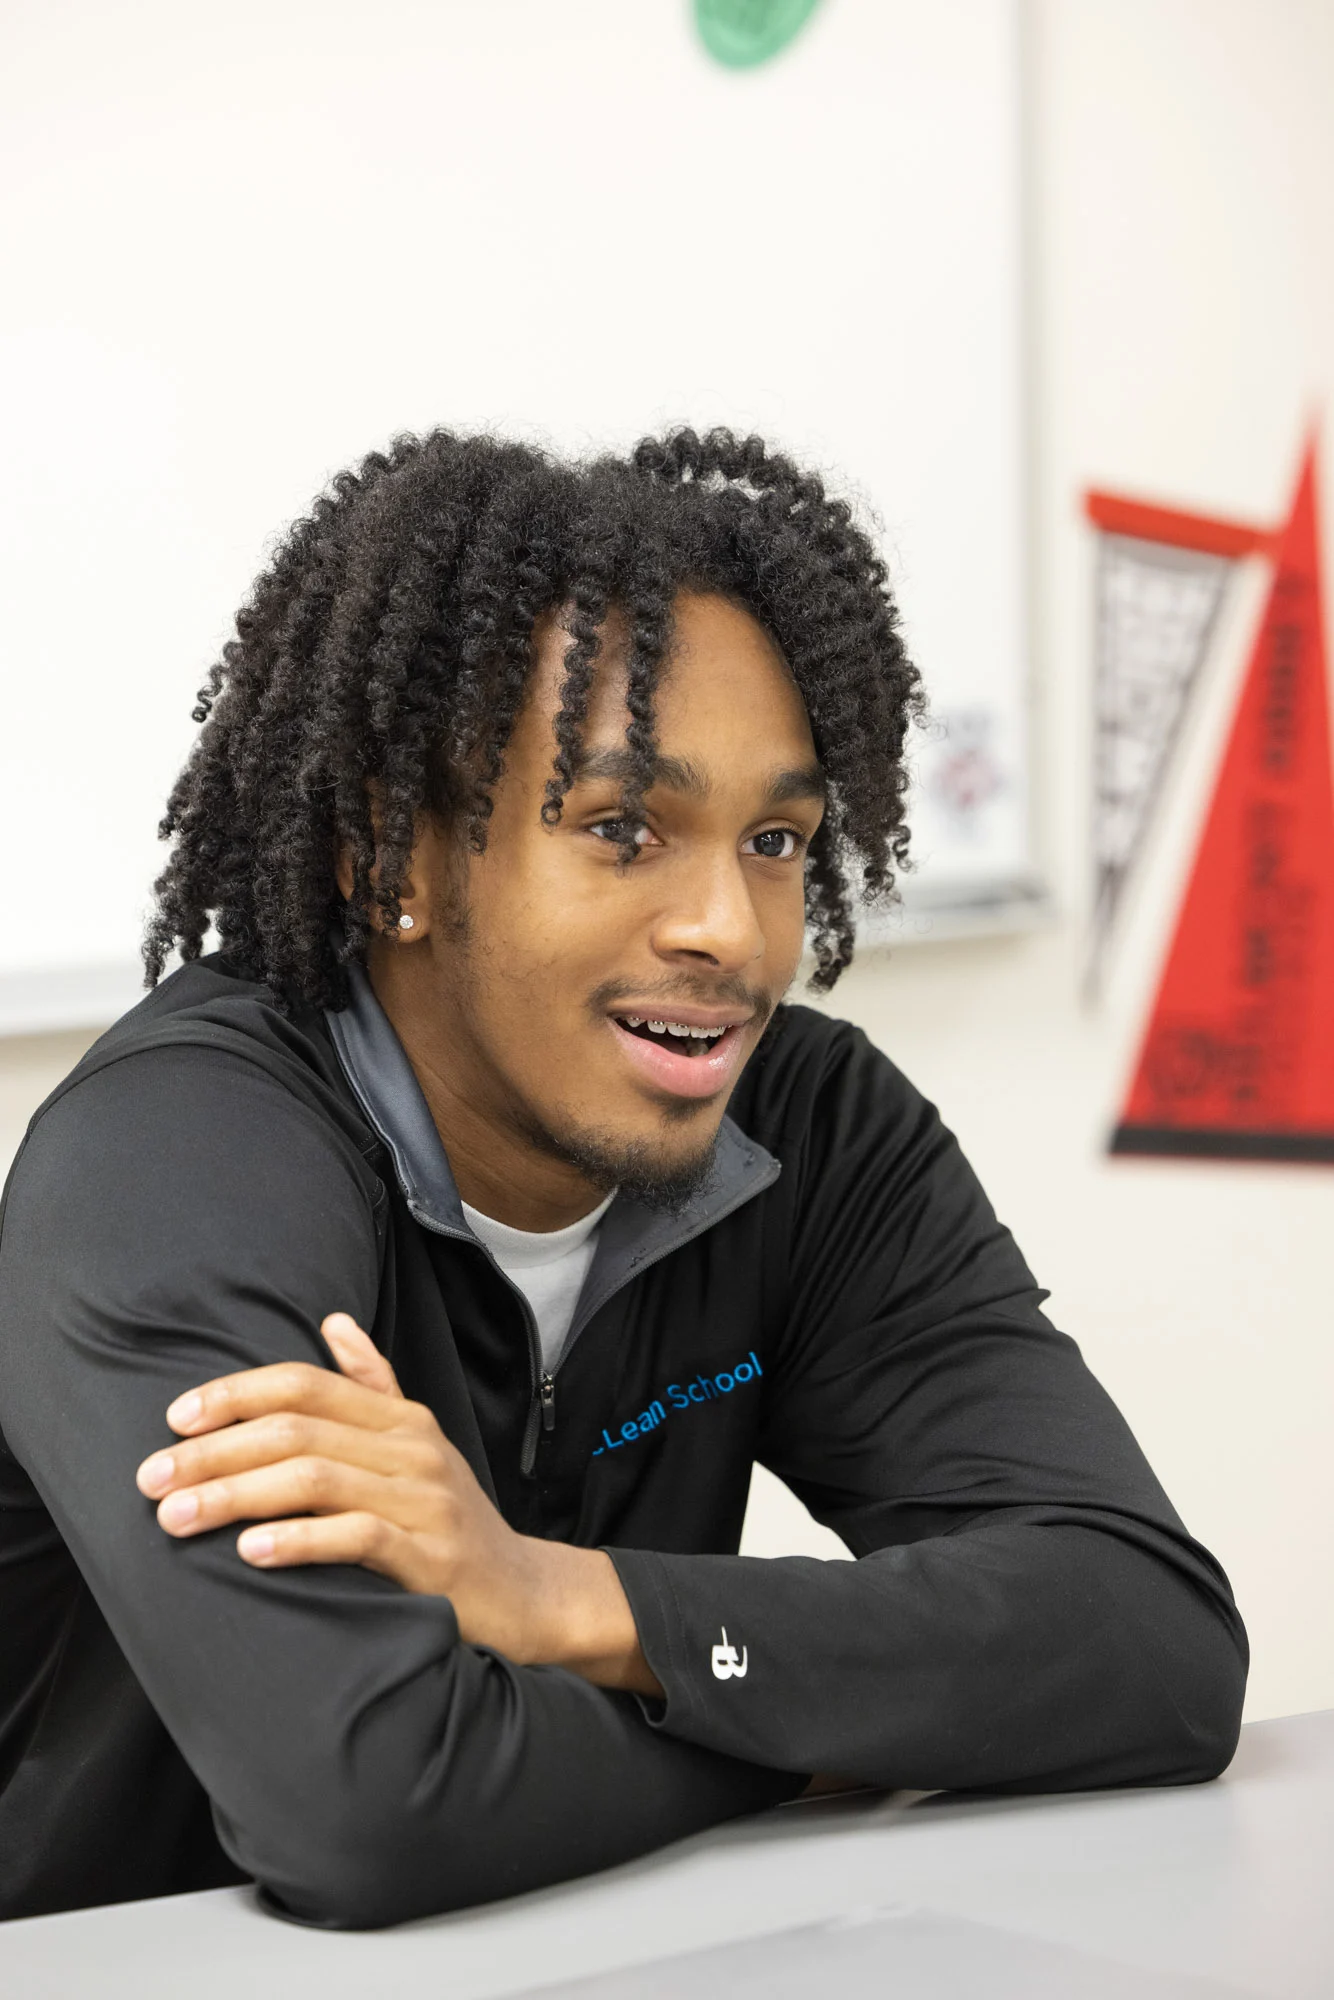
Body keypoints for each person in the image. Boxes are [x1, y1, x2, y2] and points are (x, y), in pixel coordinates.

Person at [0, 428, 1247, 1928]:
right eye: (620, 830)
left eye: (777, 840)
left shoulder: (812, 1131)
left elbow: (1148, 1647)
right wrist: (806, 1734)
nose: (729, 927)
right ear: (388, 858)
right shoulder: (173, 1161)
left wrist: (570, 1602)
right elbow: (371, 1803)